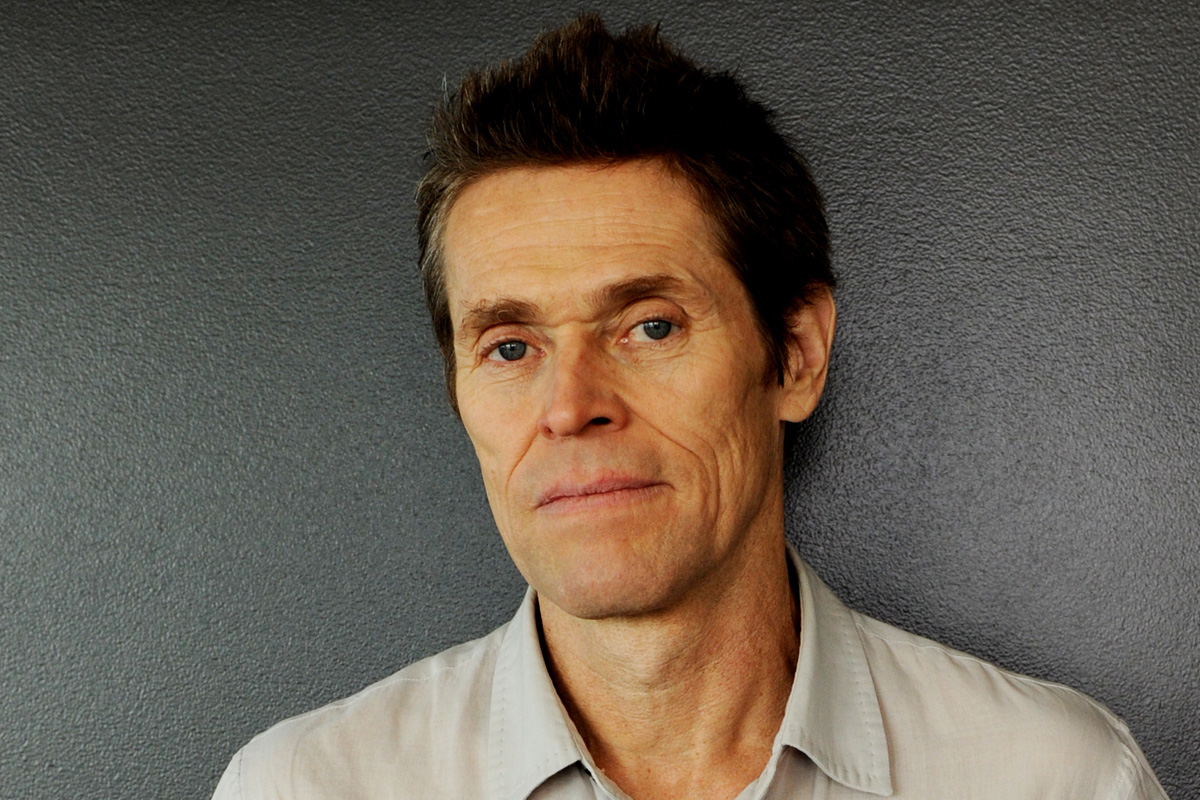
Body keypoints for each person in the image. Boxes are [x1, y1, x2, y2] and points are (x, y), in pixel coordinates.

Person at [213, 15, 1167, 800]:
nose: (570, 406)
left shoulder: (1058, 780)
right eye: (510, 346)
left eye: (650, 326)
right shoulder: (304, 788)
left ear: (795, 355)